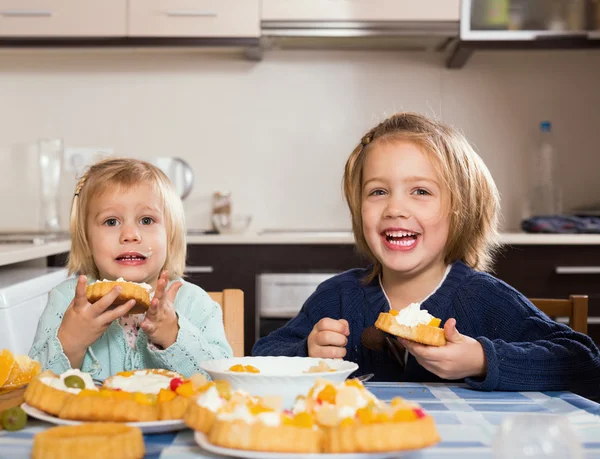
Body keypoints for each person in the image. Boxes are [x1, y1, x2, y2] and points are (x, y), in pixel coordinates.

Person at [253, 112, 600, 397]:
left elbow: (583, 362)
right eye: (378, 191)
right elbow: (259, 359)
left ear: (461, 209)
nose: (395, 208)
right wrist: (306, 354)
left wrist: (481, 359)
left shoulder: (481, 297)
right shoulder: (337, 298)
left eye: (420, 191)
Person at [30, 158, 232, 378]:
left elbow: (223, 382)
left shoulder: (195, 303)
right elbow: (33, 386)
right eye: (111, 222)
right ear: (87, 240)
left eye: (146, 220)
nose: (129, 235)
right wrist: (70, 341)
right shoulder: (65, 300)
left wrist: (174, 335)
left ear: (170, 237)